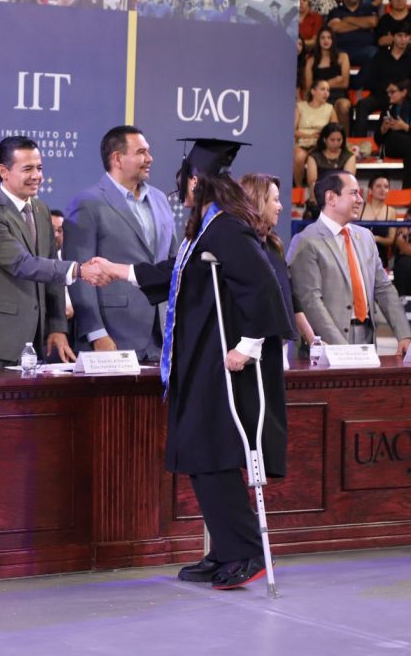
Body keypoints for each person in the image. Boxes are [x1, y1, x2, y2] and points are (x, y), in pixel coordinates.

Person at [87, 139, 293, 590]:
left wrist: (248, 346)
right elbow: (173, 273)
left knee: (214, 453)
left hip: (225, 364)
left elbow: (262, 287)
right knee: (201, 453)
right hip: (200, 358)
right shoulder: (206, 229)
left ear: (196, 182)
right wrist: (118, 270)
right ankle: (224, 549)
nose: (179, 190)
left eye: (183, 182)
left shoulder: (228, 229)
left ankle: (244, 552)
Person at [0, 136, 79, 368]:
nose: (37, 175)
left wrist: (57, 327)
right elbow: (24, 264)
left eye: (39, 168)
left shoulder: (41, 209)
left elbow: (51, 270)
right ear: (3, 171)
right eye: (27, 169)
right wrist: (77, 270)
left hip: (35, 341)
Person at [63, 126, 175, 361]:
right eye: (141, 152)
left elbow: (174, 264)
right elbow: (79, 275)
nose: (150, 158)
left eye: (148, 151)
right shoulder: (87, 203)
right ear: (117, 158)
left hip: (163, 337)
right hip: (112, 336)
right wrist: (96, 333)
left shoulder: (160, 199)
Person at [288, 172, 411, 352]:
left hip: (367, 339)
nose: (360, 200)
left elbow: (384, 288)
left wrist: (404, 334)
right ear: (331, 198)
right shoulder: (305, 241)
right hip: (327, 348)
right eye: (354, 193)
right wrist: (342, 349)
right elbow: (311, 302)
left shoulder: (366, 237)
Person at [240, 174, 316, 346]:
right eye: (275, 200)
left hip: (278, 346)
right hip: (251, 348)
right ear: (258, 202)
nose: (281, 207)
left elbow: (290, 296)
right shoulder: (243, 247)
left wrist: (312, 339)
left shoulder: (274, 245)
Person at [354, 23, 411, 136]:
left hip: (403, 97)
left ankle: (385, 138)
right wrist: (386, 90)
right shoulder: (380, 56)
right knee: (362, 104)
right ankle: (359, 140)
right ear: (393, 36)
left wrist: (400, 92)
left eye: (406, 36)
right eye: (399, 35)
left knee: (396, 106)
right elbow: (371, 80)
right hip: (381, 94)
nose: (403, 39)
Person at [303, 27, 351, 130]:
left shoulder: (342, 56)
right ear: (318, 40)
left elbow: (345, 83)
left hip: (338, 96)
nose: (326, 40)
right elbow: (309, 86)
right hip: (318, 97)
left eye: (329, 38)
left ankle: (345, 138)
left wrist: (321, 86)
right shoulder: (311, 60)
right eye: (323, 38)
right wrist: (333, 81)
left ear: (333, 40)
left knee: (344, 106)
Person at [327, 0, 379, 73]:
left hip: (366, 49)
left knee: (374, 54)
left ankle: (359, 81)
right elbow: (335, 28)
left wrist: (347, 19)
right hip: (341, 50)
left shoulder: (369, 8)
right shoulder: (335, 11)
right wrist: (363, 24)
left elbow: (372, 22)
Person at [295, 79, 337, 187]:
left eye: (328, 90)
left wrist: (323, 136)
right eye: (322, 89)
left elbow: (335, 131)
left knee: (315, 156)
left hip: (320, 144)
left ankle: (315, 190)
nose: (326, 93)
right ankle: (299, 188)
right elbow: (292, 131)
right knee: (299, 156)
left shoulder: (330, 108)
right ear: (313, 91)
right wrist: (309, 135)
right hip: (300, 143)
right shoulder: (300, 107)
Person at [304, 123, 357, 197]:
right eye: (332, 140)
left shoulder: (348, 156)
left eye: (339, 140)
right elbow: (312, 181)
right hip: (320, 194)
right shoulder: (314, 156)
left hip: (341, 194)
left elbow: (348, 180)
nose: (336, 143)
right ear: (324, 139)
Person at [360, 174, 399, 268]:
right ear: (370, 190)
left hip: (380, 255)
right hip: (360, 252)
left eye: (386, 187)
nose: (382, 190)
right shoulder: (360, 208)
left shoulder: (391, 211)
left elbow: (391, 240)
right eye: (378, 186)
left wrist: (376, 238)